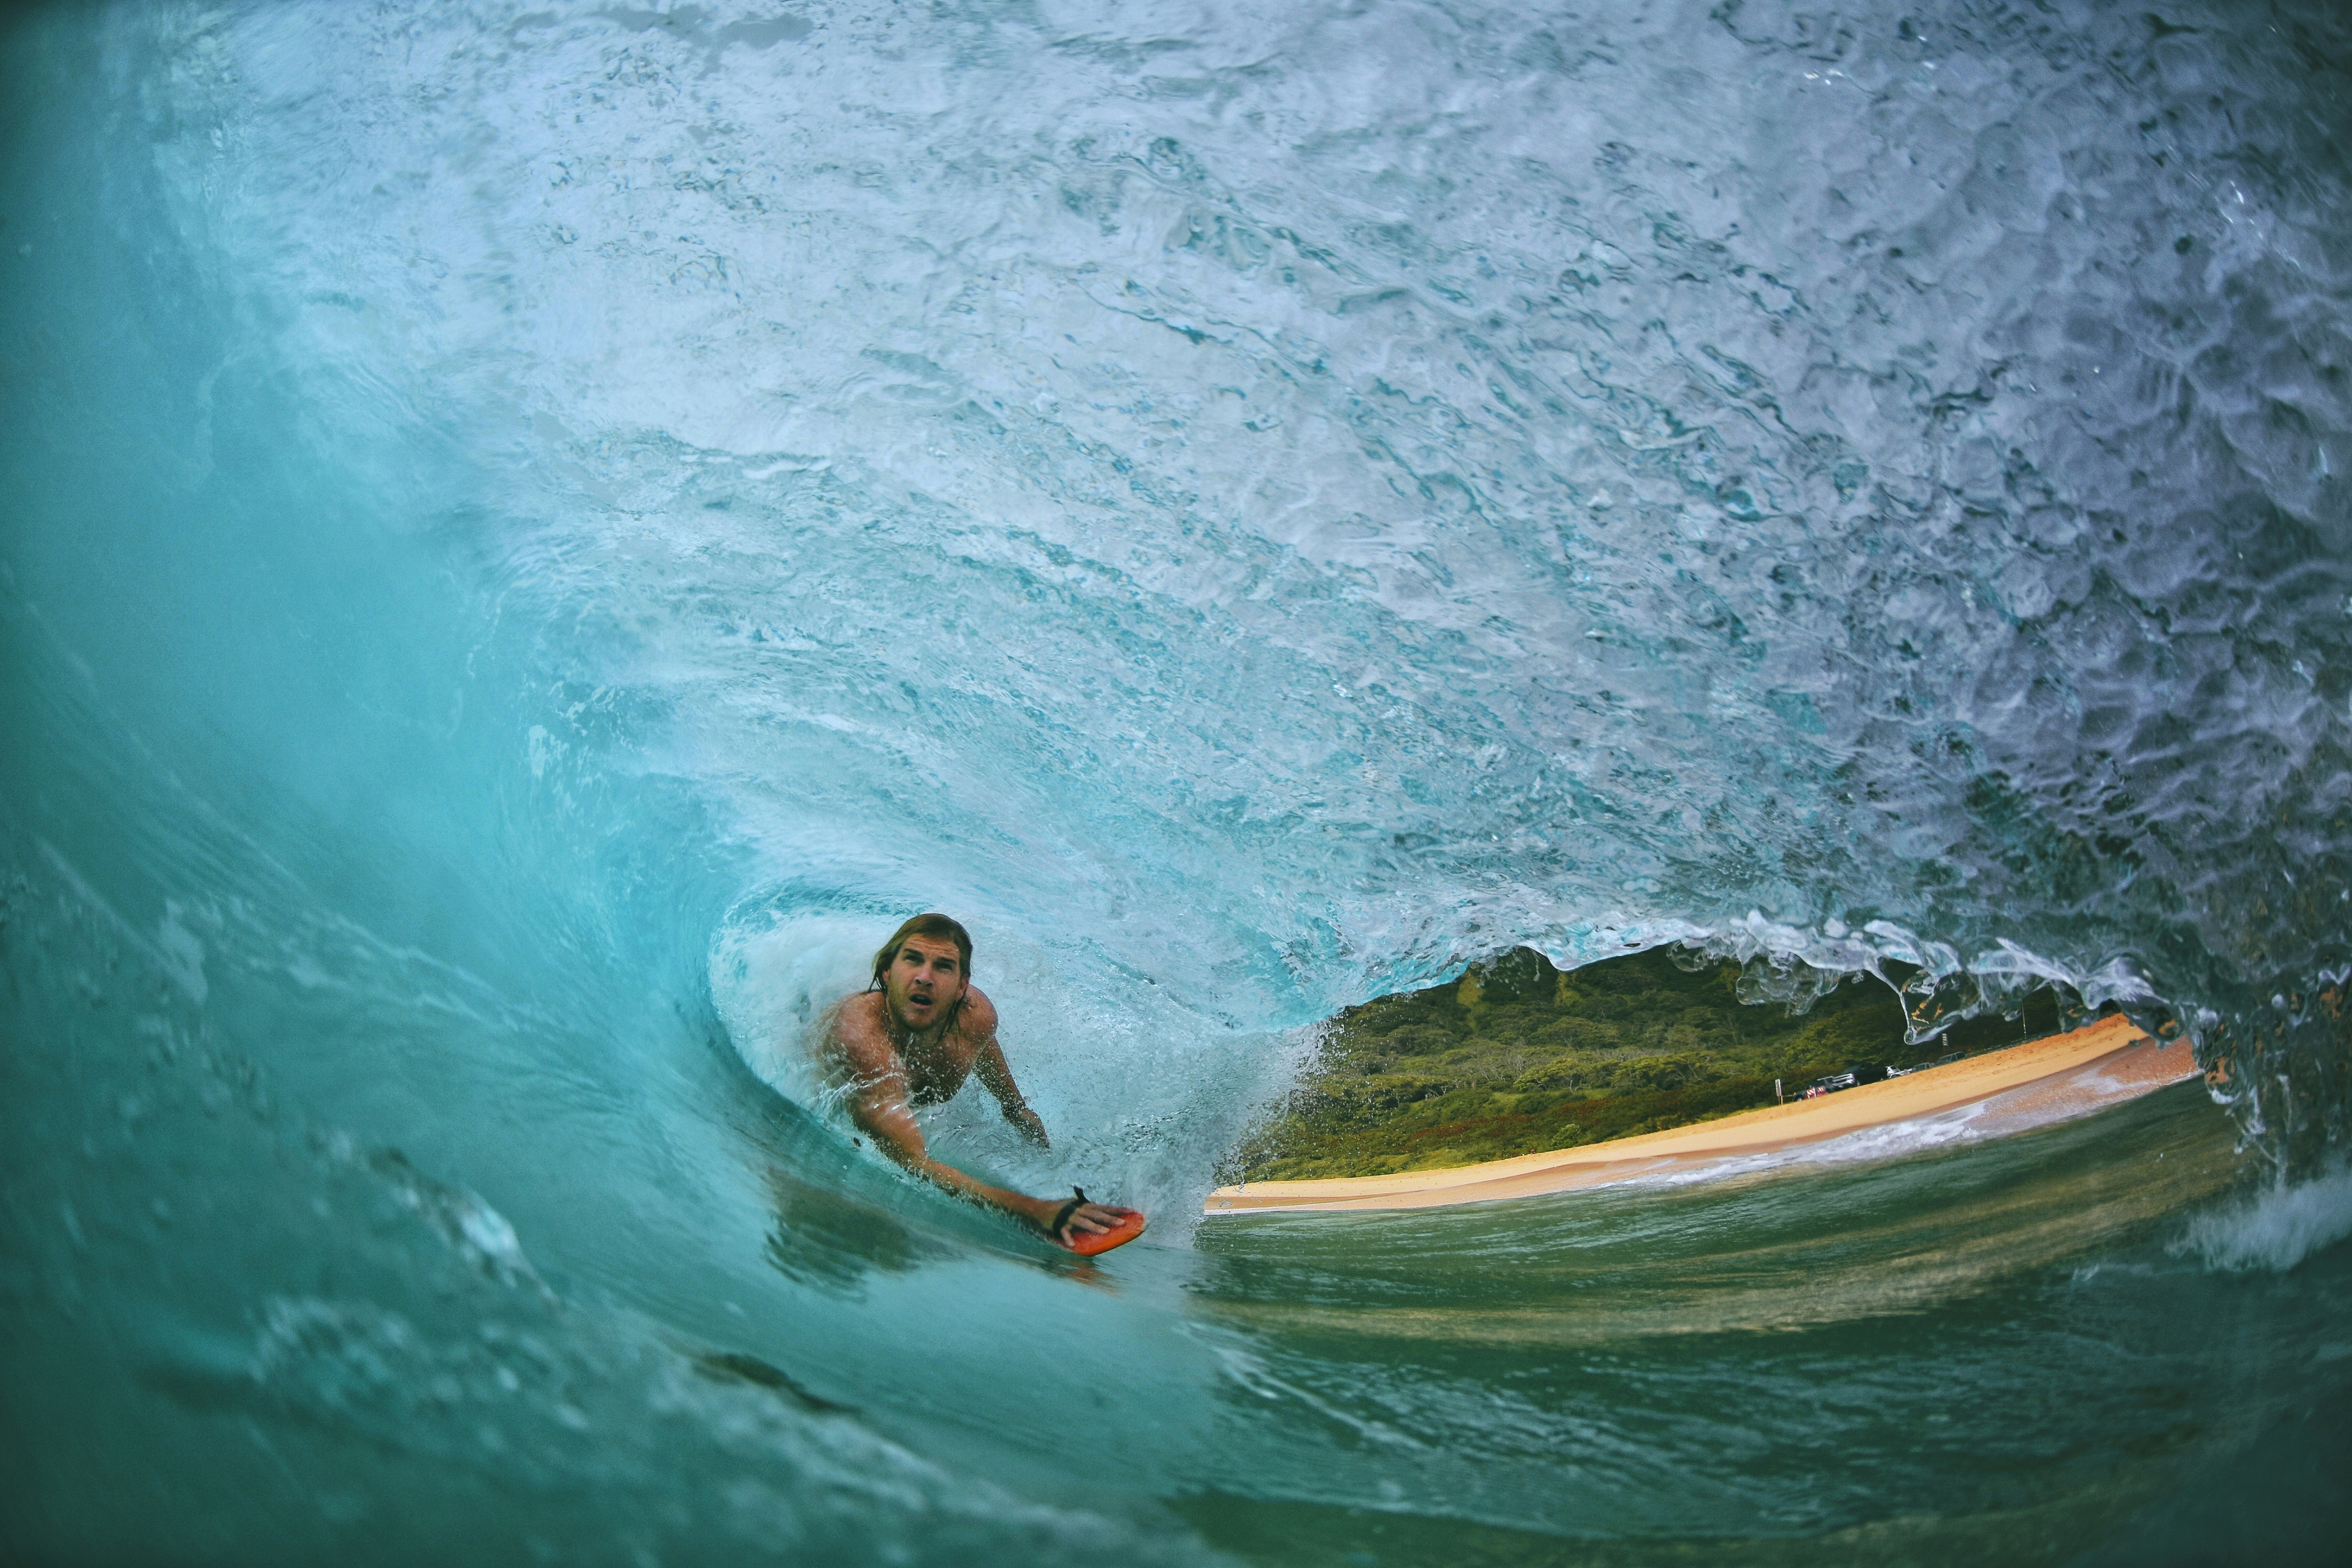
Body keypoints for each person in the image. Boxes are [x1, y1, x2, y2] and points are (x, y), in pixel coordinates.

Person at [819, 913, 1134, 1249]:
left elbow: (982, 1045)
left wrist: (1015, 1108)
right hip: (844, 1099)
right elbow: (912, 1161)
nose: (925, 978)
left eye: (943, 967)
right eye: (912, 960)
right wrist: (1037, 1211)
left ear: (961, 987)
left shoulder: (975, 1015)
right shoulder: (862, 1037)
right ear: (886, 971)